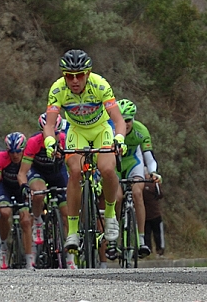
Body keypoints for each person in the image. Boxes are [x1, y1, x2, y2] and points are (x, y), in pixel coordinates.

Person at [41, 49, 126, 257]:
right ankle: (72, 231)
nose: (74, 80)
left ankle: (110, 215)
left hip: (101, 129)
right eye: (69, 76)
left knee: (107, 169)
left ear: (88, 74)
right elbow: (49, 124)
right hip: (76, 130)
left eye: (79, 75)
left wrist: (119, 138)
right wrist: (50, 141)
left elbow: (118, 120)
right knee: (75, 171)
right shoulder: (58, 89)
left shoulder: (100, 85)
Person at [114, 99, 161, 258]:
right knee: (118, 198)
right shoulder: (110, 130)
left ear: (133, 119)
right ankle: (114, 237)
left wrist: (153, 172)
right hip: (116, 166)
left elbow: (149, 157)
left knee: (137, 193)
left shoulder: (141, 131)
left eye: (128, 120)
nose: (125, 124)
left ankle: (141, 240)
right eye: (122, 120)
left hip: (134, 163)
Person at [17, 113, 68, 249]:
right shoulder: (34, 142)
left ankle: (69, 255)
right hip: (39, 172)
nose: (53, 137)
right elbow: (22, 173)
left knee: (67, 215)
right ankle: (38, 220)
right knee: (38, 194)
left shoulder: (65, 140)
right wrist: (24, 186)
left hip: (58, 173)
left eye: (57, 133)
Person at [0, 132, 33, 269]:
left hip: (22, 188)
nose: (14, 155)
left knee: (26, 221)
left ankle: (29, 258)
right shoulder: (0, 157)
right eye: (11, 152)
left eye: (18, 151)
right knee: (4, 213)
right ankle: (3, 246)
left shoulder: (28, 156)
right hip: (6, 188)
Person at [142, 177, 165, 257]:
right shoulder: (153, 184)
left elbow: (160, 195)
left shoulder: (140, 185)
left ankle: (152, 251)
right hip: (151, 214)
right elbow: (160, 195)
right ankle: (158, 251)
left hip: (150, 214)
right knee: (154, 234)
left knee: (150, 234)